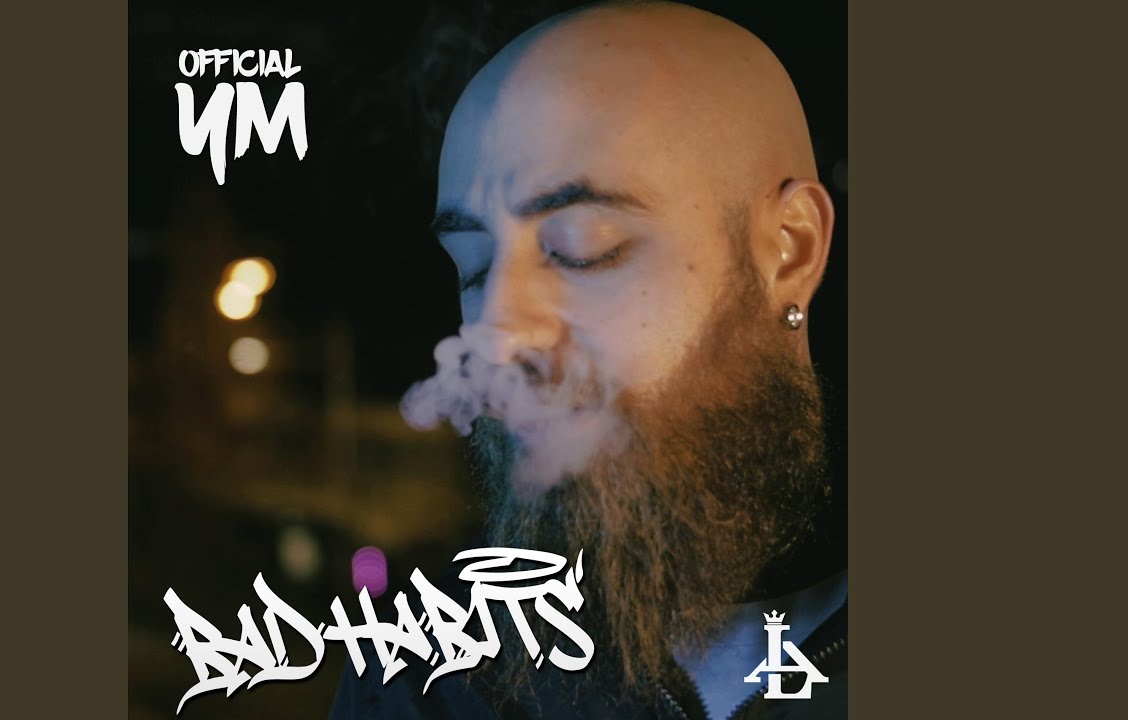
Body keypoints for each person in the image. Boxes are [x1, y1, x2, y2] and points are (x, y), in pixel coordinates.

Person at [333, 2, 845, 717]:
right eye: (474, 266)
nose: (498, 336)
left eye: (582, 249)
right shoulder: (425, 678)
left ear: (791, 250)